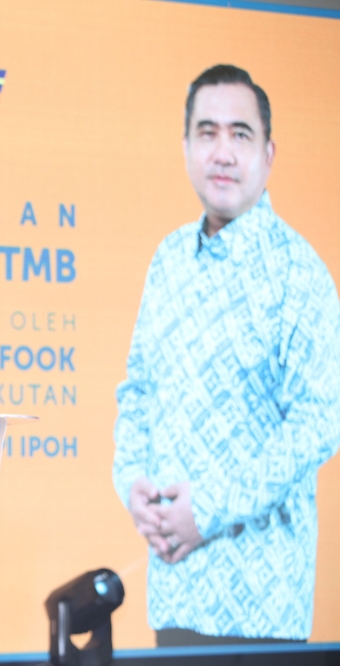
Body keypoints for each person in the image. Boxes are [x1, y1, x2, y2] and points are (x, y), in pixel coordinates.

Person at [113, 64, 340, 645]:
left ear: (268, 153)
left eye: (240, 134)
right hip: (176, 591)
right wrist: (132, 483)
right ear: (186, 147)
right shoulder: (169, 260)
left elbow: (319, 422)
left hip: (262, 605)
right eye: (207, 132)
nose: (223, 152)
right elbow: (139, 392)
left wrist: (207, 508)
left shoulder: (299, 273)